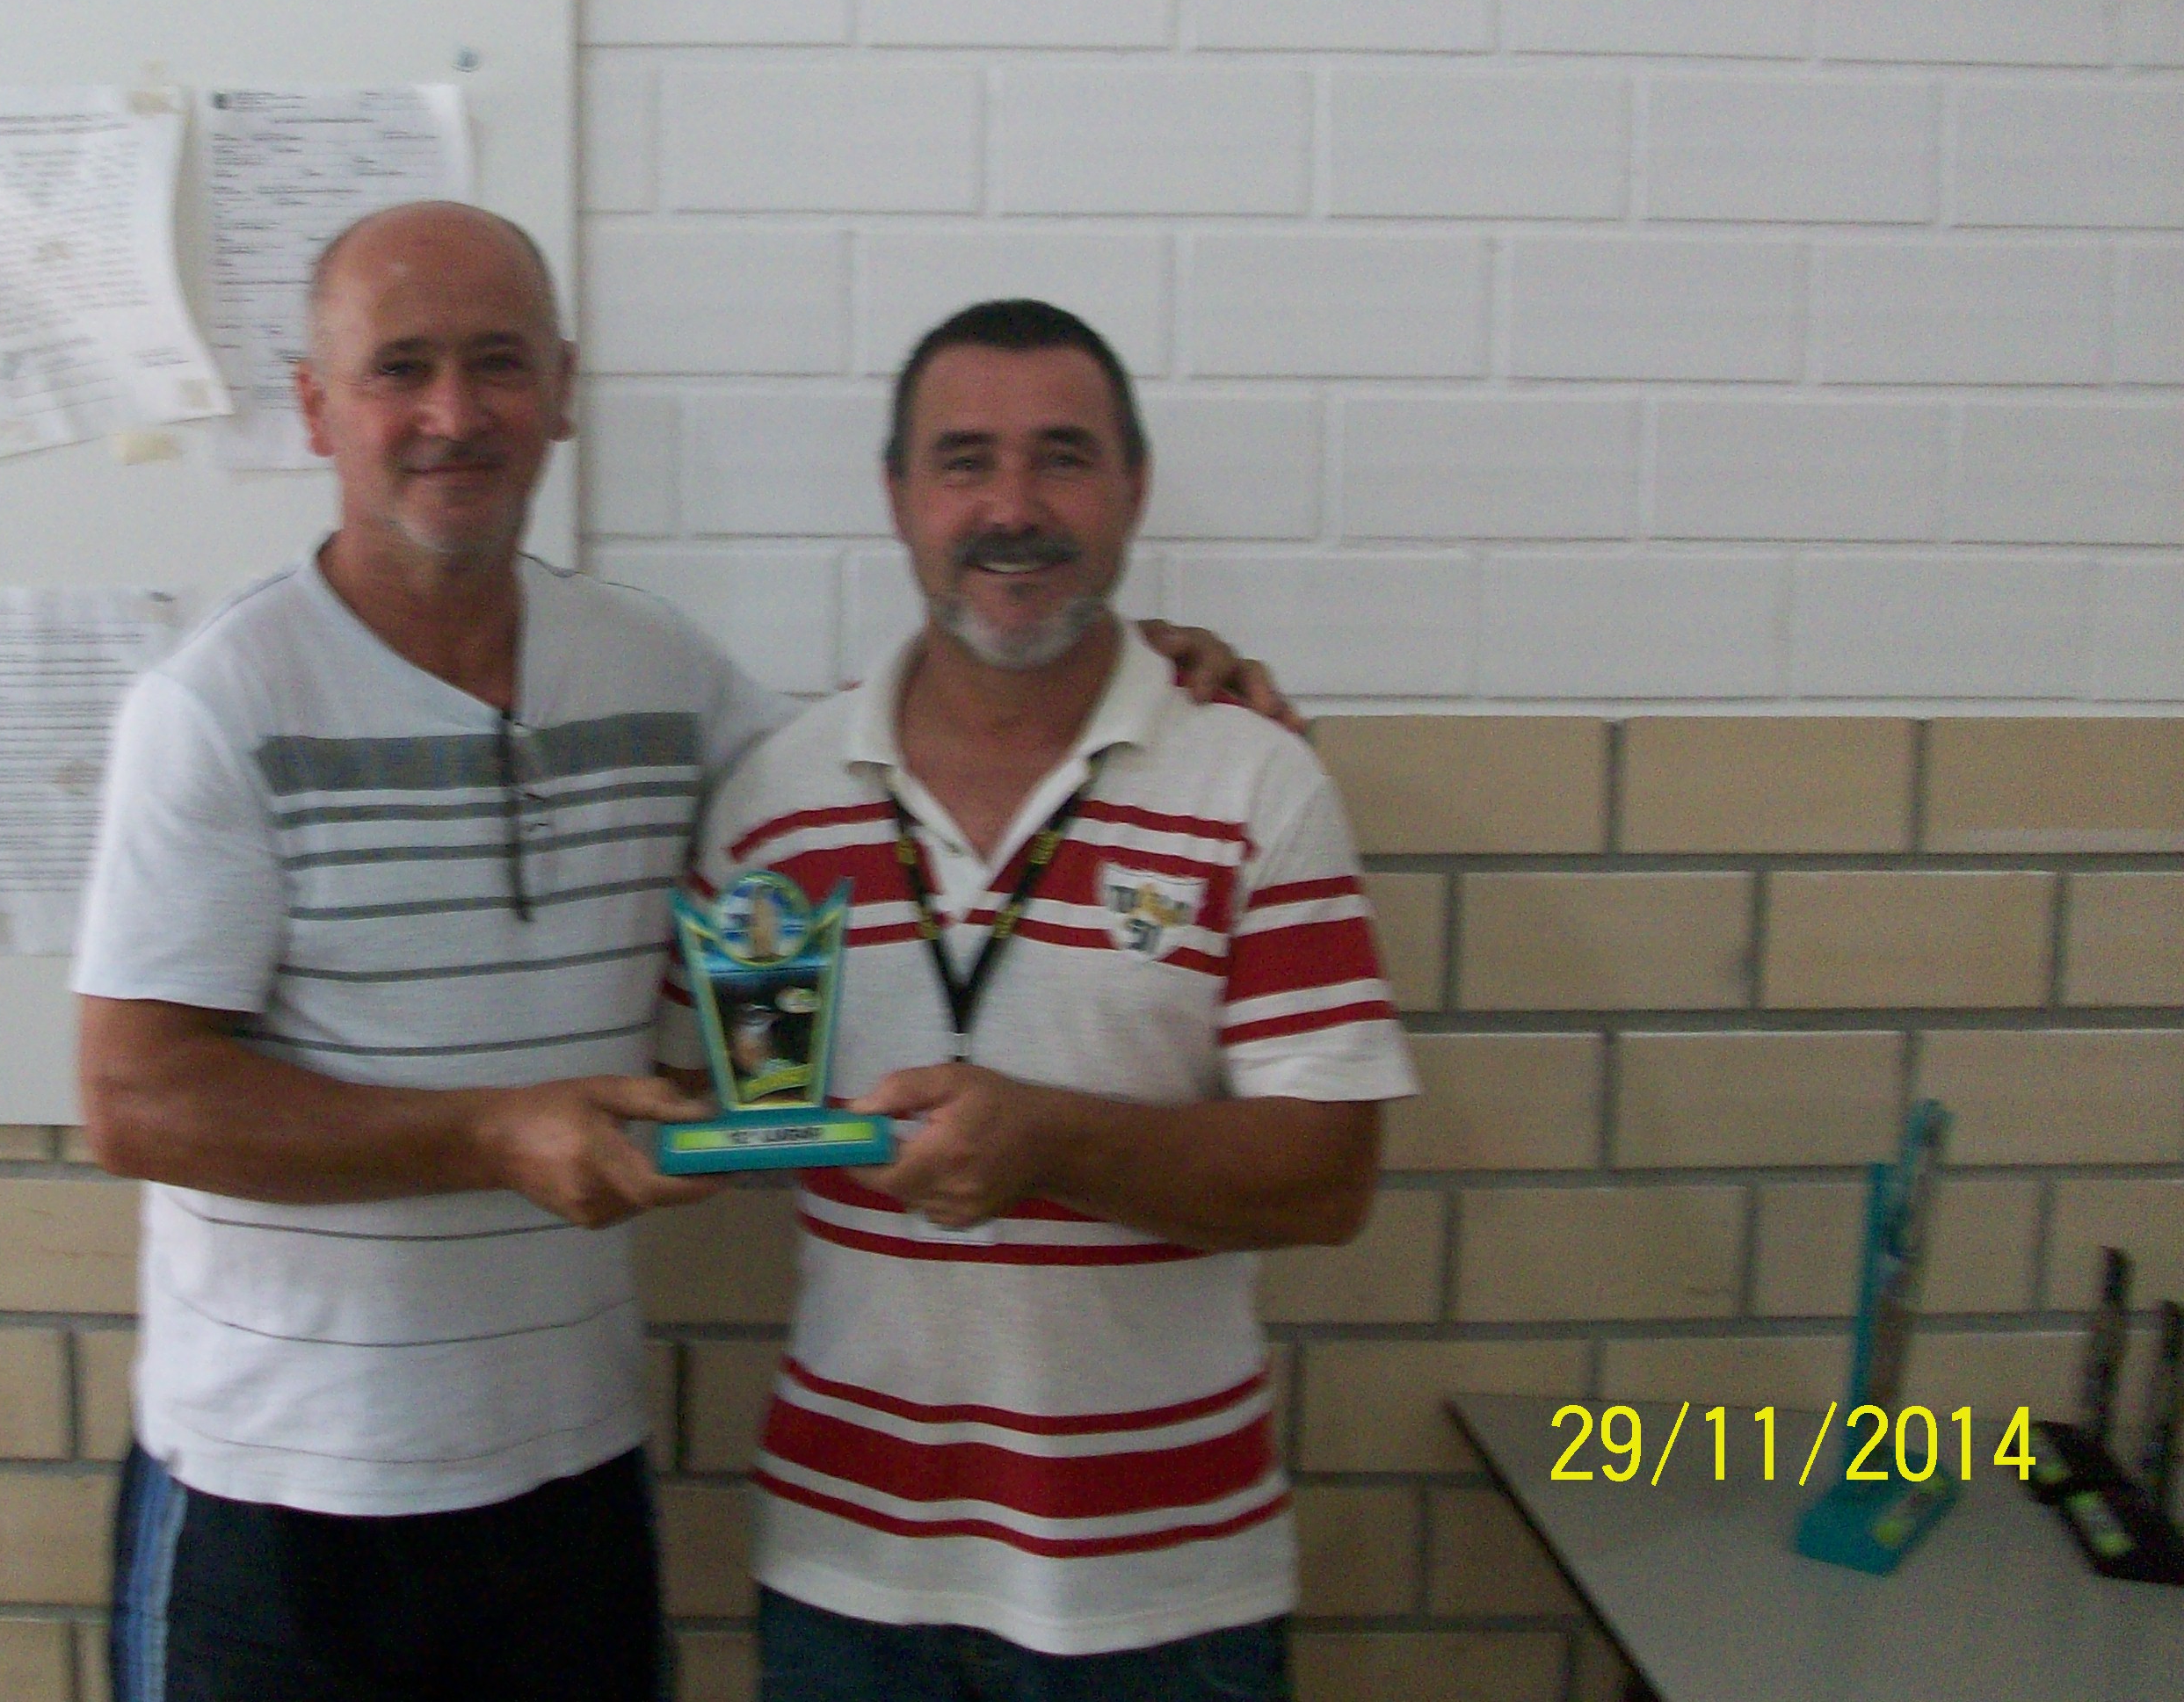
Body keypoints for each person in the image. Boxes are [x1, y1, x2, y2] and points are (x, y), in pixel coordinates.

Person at [74, 206, 1291, 1702]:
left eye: (498, 363)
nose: (455, 413)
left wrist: (1137, 669)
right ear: (319, 407)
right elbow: (135, 1101)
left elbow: (885, 768)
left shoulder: (660, 674)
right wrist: (488, 1134)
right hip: (272, 1491)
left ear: (562, 392)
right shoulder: (214, 705)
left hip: (566, 1474)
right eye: (401, 369)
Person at [672, 300, 1416, 1702]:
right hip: (846, 1575)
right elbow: (723, 1106)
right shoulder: (775, 807)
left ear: (1134, 486)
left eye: (1062, 458)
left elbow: (1328, 1180)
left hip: (1165, 1593)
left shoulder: (1254, 784)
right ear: (898, 495)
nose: (1012, 507)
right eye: (964, 461)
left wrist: (1051, 1138)